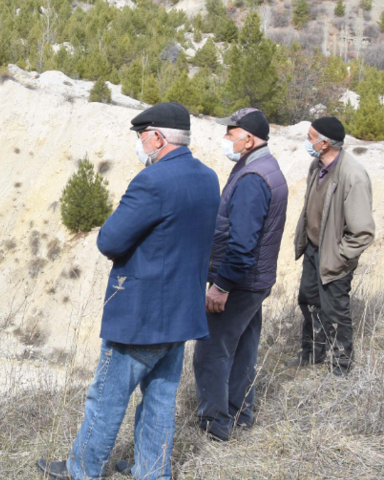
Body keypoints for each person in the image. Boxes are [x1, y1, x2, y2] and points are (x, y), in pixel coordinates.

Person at [36, 103, 220, 480]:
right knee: (160, 399)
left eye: (141, 136)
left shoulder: (152, 181)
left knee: (106, 397)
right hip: (182, 313)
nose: (140, 143)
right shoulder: (207, 177)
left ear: (156, 136)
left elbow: (110, 240)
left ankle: (82, 469)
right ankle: (152, 471)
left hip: (142, 315)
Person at [192, 108, 287, 441]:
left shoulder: (251, 179)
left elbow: (242, 243)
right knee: (244, 346)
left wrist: (221, 285)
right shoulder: (265, 168)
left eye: (230, 133)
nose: (225, 139)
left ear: (248, 138)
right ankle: (240, 413)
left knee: (212, 349)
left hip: (240, 281)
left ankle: (215, 425)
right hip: (254, 280)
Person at [290, 117, 375, 375]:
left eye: (310, 136)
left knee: (336, 310)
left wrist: (340, 257)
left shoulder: (353, 175)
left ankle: (340, 366)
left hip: (334, 255)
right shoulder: (316, 165)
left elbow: (363, 232)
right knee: (309, 300)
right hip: (313, 250)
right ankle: (313, 353)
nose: (307, 141)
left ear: (325, 143)